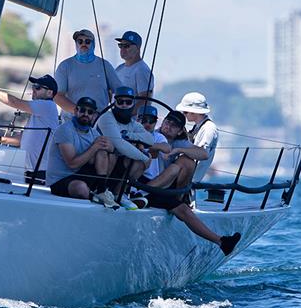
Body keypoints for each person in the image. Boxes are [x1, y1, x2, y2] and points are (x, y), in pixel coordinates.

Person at [143, 111, 241, 256]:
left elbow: (203, 154)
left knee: (187, 162)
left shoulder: (178, 141)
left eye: (174, 125)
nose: (168, 127)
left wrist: (180, 150)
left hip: (162, 189)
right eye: (167, 122)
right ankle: (221, 241)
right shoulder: (154, 135)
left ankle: (222, 242)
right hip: (145, 187)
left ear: (180, 131)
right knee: (183, 209)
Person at [0, 75, 60, 184]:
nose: (33, 89)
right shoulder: (39, 113)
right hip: (28, 170)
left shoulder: (48, 106)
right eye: (33, 86)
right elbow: (22, 139)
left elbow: (14, 102)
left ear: (49, 93)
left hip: (40, 172)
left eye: (38, 87)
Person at [45, 97, 117, 207]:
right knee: (81, 189)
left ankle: (102, 190)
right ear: (76, 111)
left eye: (90, 112)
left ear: (94, 115)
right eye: (82, 110)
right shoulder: (65, 130)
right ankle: (96, 195)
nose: (86, 114)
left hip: (81, 175)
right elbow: (72, 164)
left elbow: (109, 152)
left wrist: (111, 148)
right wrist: (94, 147)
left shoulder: (94, 133)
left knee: (107, 153)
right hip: (61, 180)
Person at [94, 86, 155, 209]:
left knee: (139, 162)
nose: (124, 105)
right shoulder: (106, 118)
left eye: (128, 102)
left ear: (133, 104)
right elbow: (119, 144)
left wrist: (128, 134)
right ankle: (99, 190)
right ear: (114, 103)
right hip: (97, 164)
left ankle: (119, 194)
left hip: (119, 167)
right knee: (112, 154)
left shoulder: (133, 124)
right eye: (120, 101)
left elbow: (150, 140)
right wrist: (145, 158)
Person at [54, 29, 122, 121]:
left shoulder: (105, 65)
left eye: (87, 41)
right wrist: (79, 113)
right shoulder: (65, 66)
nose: (83, 44)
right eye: (80, 41)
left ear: (93, 44)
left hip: (98, 122)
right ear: (76, 44)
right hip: (70, 122)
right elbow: (57, 96)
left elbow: (119, 92)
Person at [176, 92, 219, 183]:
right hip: (185, 178)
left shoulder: (209, 128)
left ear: (194, 112)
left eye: (185, 112)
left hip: (190, 180)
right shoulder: (198, 127)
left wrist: (180, 150)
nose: (184, 115)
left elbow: (203, 153)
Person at [114, 31, 154, 113]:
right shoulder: (119, 69)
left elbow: (145, 101)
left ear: (138, 48)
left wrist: (126, 115)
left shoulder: (142, 70)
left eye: (126, 46)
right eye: (120, 46)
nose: (122, 49)